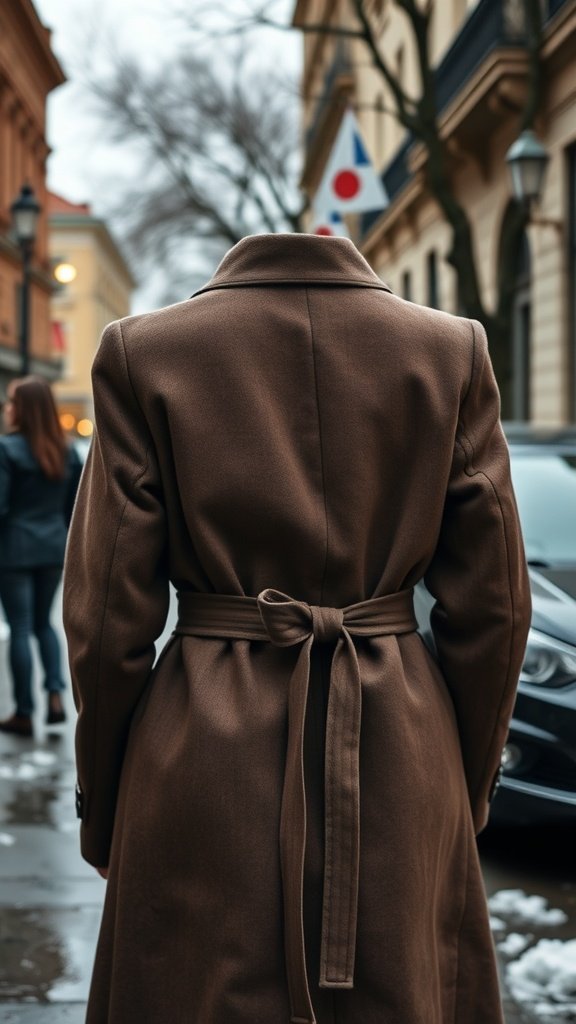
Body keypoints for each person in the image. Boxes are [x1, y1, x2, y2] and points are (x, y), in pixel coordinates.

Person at [63, 233, 531, 1024]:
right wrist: (463, 784)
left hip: (202, 750)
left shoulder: (146, 353)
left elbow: (107, 617)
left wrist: (111, 804)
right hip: (401, 744)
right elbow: (496, 608)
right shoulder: (451, 350)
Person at [0, 376, 82, 738]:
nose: (6, 408)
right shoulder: (67, 451)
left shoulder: (7, 449)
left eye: (10, 401)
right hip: (53, 549)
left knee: (19, 626)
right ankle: (55, 696)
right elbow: (74, 510)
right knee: (44, 624)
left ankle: (23, 712)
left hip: (14, 549)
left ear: (24, 409)